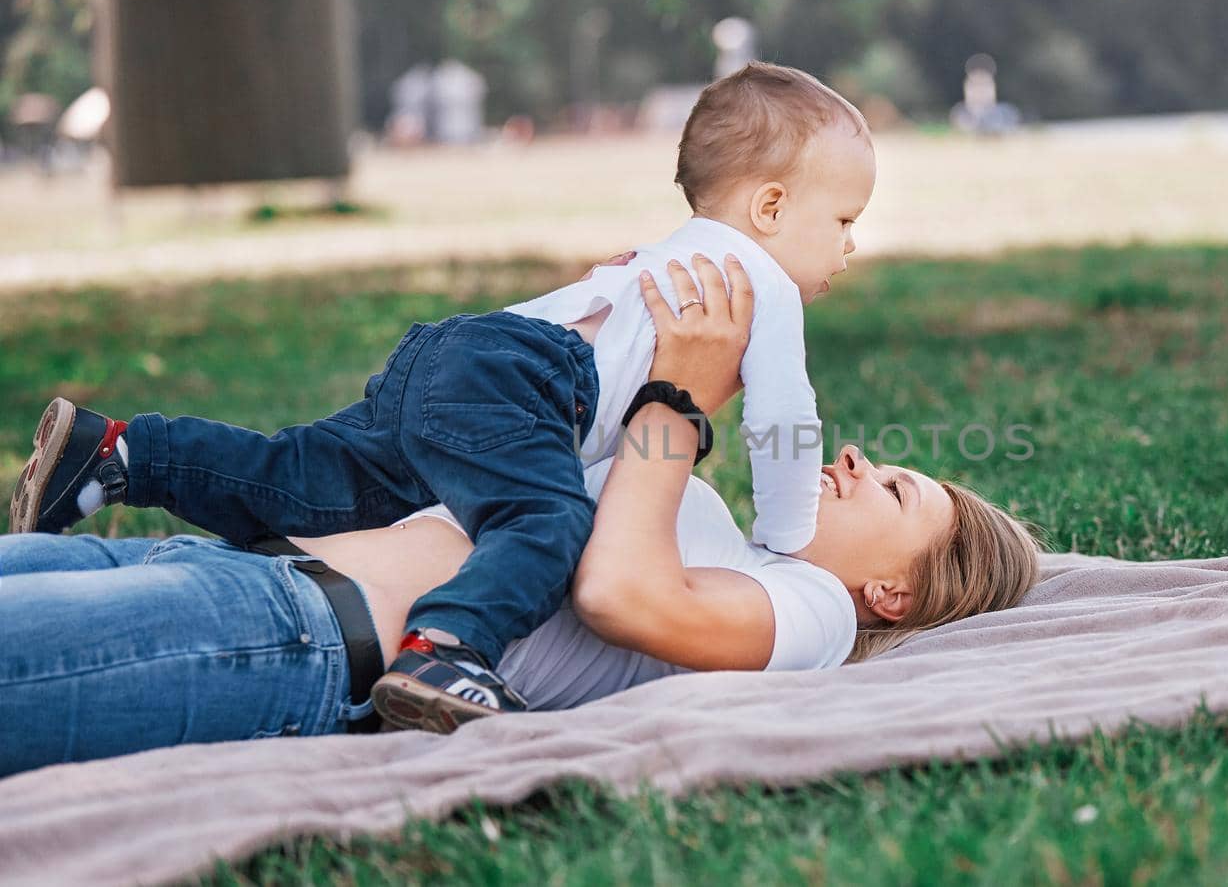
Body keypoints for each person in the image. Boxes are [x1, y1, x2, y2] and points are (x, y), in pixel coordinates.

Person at [7, 62, 876, 731]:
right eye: (843, 221)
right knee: (541, 524)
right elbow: (784, 422)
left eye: (896, 486)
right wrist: (787, 528)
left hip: (462, 354)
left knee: (308, 475)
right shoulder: (760, 286)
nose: (848, 248)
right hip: (524, 387)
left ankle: (122, 453)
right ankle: (446, 649)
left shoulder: (667, 255)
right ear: (770, 206)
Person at [0, 258, 1042, 777]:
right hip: (231, 577)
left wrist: (673, 401)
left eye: (897, 491)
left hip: (285, 643)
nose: (858, 462)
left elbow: (619, 591)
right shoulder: (717, 526)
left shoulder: (809, 614)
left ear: (893, 592)